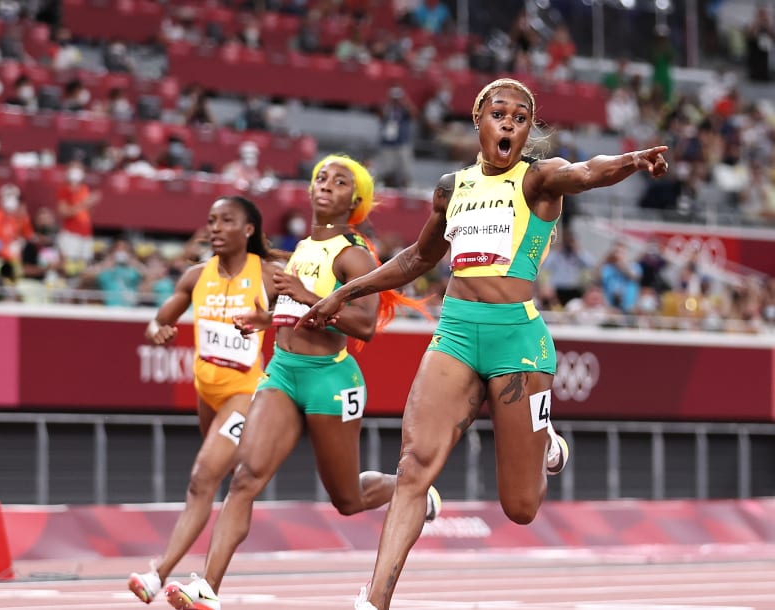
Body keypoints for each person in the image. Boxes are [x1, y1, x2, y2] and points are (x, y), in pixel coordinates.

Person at [295, 79, 669, 610]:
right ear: (479, 119)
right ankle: (374, 600)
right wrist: (348, 291)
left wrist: (632, 160)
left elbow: (588, 171)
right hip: (455, 332)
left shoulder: (539, 179)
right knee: (413, 468)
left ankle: (547, 446)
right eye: (500, 113)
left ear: (527, 131)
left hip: (517, 339)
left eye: (522, 117)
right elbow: (417, 259)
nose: (511, 123)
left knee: (520, 506)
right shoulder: (452, 187)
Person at [163, 155, 440, 610]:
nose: (326, 185)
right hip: (283, 373)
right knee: (245, 478)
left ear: (356, 200)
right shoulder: (301, 250)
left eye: (340, 181)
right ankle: (207, 588)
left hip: (330, 379)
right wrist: (267, 318)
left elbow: (364, 325)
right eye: (320, 178)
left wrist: (306, 295)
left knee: (347, 499)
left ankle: (412, 491)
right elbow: (296, 313)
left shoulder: (354, 253)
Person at [127, 196, 281, 604]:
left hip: (245, 392)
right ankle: (187, 572)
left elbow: (302, 318)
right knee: (211, 484)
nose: (214, 228)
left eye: (225, 220)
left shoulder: (267, 275)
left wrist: (269, 320)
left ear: (247, 230)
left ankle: (163, 575)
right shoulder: (196, 277)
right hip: (206, 393)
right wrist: (156, 330)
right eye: (211, 221)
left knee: (202, 479)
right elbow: (158, 319)